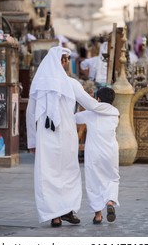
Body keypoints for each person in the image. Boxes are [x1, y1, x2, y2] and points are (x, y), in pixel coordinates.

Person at [26, 46, 109, 227]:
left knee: (50, 174)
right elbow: (91, 104)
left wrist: (32, 141)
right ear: (62, 62)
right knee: (68, 173)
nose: (66, 63)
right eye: (65, 60)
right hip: (65, 134)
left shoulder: (39, 85)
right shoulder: (71, 84)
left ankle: (57, 215)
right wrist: (109, 110)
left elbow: (30, 114)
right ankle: (64, 211)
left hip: (46, 136)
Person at [75, 87, 120, 224]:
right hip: (111, 152)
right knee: (112, 178)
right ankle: (110, 201)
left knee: (94, 181)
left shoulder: (90, 114)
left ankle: (98, 215)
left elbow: (74, 119)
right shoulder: (115, 114)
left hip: (94, 152)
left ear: (98, 99)